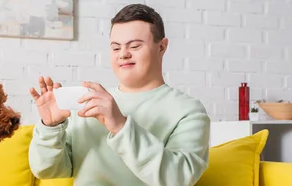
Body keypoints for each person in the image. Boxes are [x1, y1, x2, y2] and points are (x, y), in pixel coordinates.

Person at [28, 4, 211, 186]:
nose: (123, 54)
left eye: (135, 46)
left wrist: (120, 126)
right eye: (116, 48)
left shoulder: (189, 111)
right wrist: (50, 128)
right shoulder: (88, 103)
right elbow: (47, 170)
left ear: (161, 47)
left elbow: (178, 179)